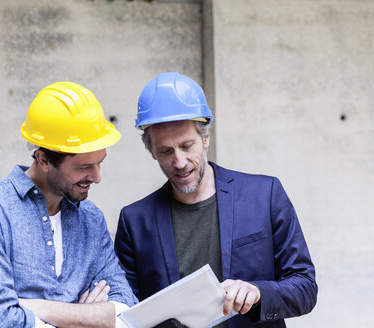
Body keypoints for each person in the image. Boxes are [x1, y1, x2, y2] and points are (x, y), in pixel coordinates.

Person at [114, 72, 318, 328]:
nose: (179, 162)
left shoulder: (264, 195)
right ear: (152, 152)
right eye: (166, 151)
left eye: (187, 146)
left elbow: (305, 288)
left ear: (205, 138)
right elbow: (127, 312)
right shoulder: (134, 221)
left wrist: (257, 293)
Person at [0, 82, 137, 328]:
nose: (97, 177)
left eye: (99, 162)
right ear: (44, 159)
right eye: (83, 167)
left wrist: (31, 306)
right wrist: (88, 317)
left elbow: (126, 312)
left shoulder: (91, 219)